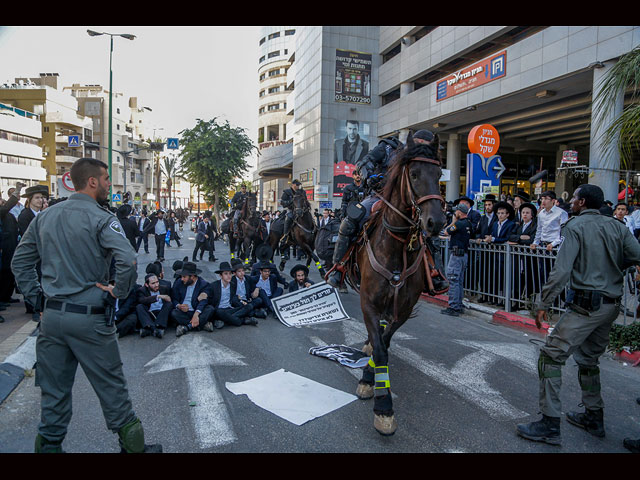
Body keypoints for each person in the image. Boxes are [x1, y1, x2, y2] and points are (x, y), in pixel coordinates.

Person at [11, 157, 161, 453]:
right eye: (106, 180)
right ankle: (134, 450)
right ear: (92, 181)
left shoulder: (45, 217)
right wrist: (118, 291)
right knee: (112, 388)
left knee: (53, 393)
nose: (108, 185)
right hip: (90, 317)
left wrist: (37, 297)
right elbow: (128, 259)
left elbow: (20, 262)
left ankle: (49, 449)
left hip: (52, 317)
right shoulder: (101, 218)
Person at [515, 184, 640, 447]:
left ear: (582, 202)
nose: (570, 201)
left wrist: (542, 303)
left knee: (550, 356)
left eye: (573, 198)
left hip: (586, 307)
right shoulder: (617, 226)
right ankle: (593, 417)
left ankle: (549, 424)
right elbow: (635, 255)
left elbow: (561, 271)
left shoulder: (574, 227)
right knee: (588, 359)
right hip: (610, 307)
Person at [17, 185, 49, 322]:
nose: (40, 200)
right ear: (29, 200)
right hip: (32, 252)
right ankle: (32, 306)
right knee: (31, 276)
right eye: (37, 198)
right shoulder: (25, 215)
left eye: (41, 198)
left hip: (42, 252)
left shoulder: (41, 214)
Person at [440, 203, 473, 316]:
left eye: (456, 212)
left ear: (460, 212)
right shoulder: (468, 223)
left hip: (457, 256)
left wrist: (454, 220)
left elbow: (446, 231)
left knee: (453, 280)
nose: (455, 213)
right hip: (463, 255)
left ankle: (454, 307)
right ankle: (458, 305)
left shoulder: (459, 223)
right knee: (458, 281)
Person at [205, 261, 258, 328]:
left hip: (230, 309)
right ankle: (242, 320)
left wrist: (241, 301)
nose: (229, 276)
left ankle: (226, 320)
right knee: (220, 312)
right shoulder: (214, 285)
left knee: (249, 306)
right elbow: (208, 297)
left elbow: (233, 298)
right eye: (226, 274)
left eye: (230, 274)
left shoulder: (232, 285)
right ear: (221, 275)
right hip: (220, 310)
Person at [171, 261, 215, 337]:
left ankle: (187, 327)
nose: (182, 279)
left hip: (197, 310)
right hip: (184, 312)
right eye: (181, 276)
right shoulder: (179, 282)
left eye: (184, 277)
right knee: (173, 313)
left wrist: (196, 314)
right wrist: (179, 306)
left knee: (210, 309)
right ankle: (201, 324)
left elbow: (203, 302)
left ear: (192, 277)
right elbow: (174, 298)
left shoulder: (203, 284)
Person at [0, 183, 25, 309]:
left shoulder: (6, 213)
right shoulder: (3, 211)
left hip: (11, 246)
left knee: (9, 272)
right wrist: (18, 190)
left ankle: (6, 296)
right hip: (4, 248)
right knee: (4, 273)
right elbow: (8, 206)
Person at [136, 273, 172, 339]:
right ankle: (154, 329)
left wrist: (168, 299)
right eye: (153, 283)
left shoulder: (164, 288)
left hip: (161, 313)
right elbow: (142, 300)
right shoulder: (141, 290)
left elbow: (170, 300)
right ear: (147, 285)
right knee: (139, 307)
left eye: (157, 282)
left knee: (169, 304)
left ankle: (151, 329)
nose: (156, 285)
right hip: (150, 313)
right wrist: (157, 297)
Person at [279, 179, 303, 252]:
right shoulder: (286, 192)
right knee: (288, 218)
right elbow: (282, 203)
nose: (298, 186)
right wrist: (291, 201)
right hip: (291, 210)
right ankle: (285, 235)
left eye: (299, 185)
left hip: (300, 210)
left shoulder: (301, 192)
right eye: (297, 185)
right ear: (293, 185)